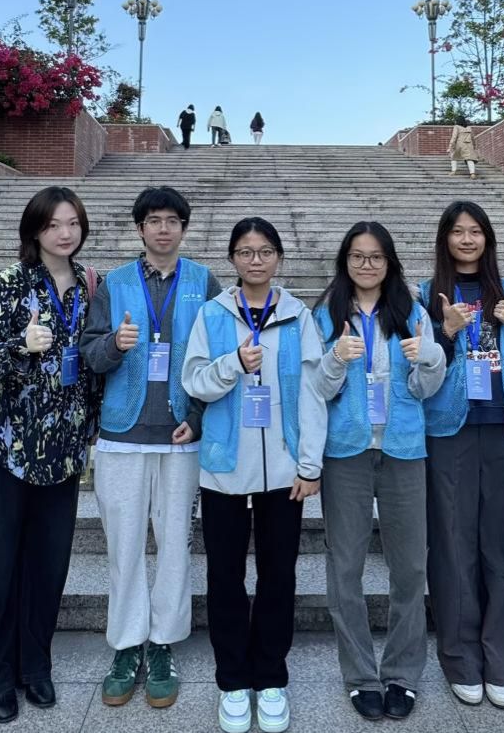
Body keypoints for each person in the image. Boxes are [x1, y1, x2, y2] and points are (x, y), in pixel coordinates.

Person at [0, 186, 101, 725]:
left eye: (73, 223)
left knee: (47, 564)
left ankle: (34, 664)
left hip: (61, 448)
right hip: (3, 446)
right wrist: (21, 344)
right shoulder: (10, 282)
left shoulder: (90, 287)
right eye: (53, 224)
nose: (65, 233)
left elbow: (92, 362)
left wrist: (92, 427)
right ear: (34, 230)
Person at [80, 186, 221, 710]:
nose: (163, 229)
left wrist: (198, 418)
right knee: (124, 546)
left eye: (172, 221)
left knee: (174, 544)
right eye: (154, 220)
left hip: (180, 437)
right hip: (122, 435)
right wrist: (113, 346)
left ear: (184, 227)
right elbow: (89, 354)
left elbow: (218, 357)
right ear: (140, 228)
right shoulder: (114, 283)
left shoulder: (204, 281)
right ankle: (126, 645)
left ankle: (163, 643)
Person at [183, 218, 326, 733]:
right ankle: (231, 679)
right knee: (224, 575)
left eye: (265, 251)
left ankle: (270, 675)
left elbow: (313, 392)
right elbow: (194, 381)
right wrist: (232, 365)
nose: (256, 260)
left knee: (278, 574)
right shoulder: (212, 313)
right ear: (232, 260)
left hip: (284, 472)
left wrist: (310, 465)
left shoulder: (298, 316)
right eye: (245, 252)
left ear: (279, 257)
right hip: (223, 467)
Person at [419, 201, 504, 709]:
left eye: (476, 231)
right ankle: (460, 659)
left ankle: (503, 660)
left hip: (502, 430)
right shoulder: (424, 295)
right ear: (445, 240)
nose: (467, 239)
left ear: (488, 239)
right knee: (452, 546)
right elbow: (419, 368)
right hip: (448, 432)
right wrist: (445, 331)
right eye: (458, 231)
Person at [314, 221, 445, 721]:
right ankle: (360, 676)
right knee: (344, 567)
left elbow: (425, 388)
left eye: (375, 257)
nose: (366, 265)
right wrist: (335, 359)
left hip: (403, 448)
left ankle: (402, 674)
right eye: (357, 256)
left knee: (409, 567)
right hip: (346, 451)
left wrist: (429, 357)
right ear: (344, 261)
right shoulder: (326, 313)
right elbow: (317, 390)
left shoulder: (411, 312)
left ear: (389, 262)